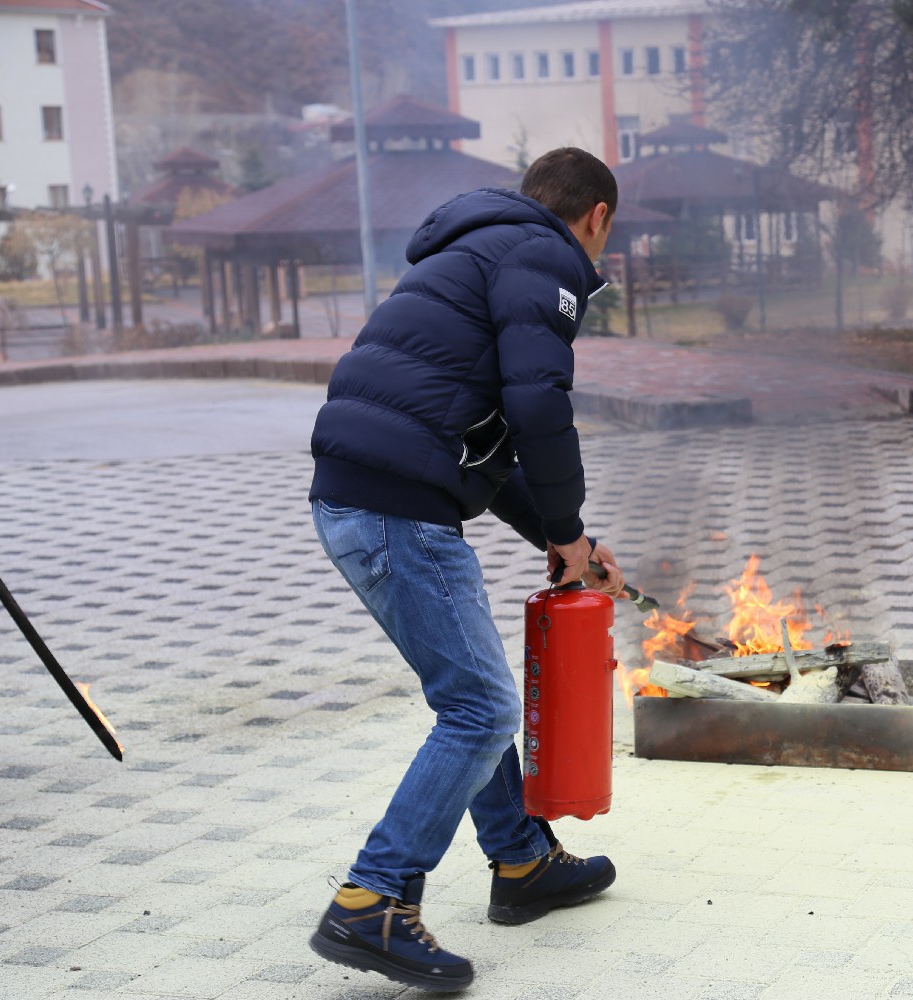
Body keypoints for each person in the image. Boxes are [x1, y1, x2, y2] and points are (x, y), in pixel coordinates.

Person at [305, 147, 626, 993]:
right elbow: (538, 409)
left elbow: (487, 436)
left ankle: (521, 863)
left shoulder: (476, 247)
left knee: (472, 695)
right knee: (480, 706)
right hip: (395, 510)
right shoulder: (546, 256)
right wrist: (564, 527)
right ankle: (372, 898)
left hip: (360, 498)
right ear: (596, 217)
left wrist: (569, 545)